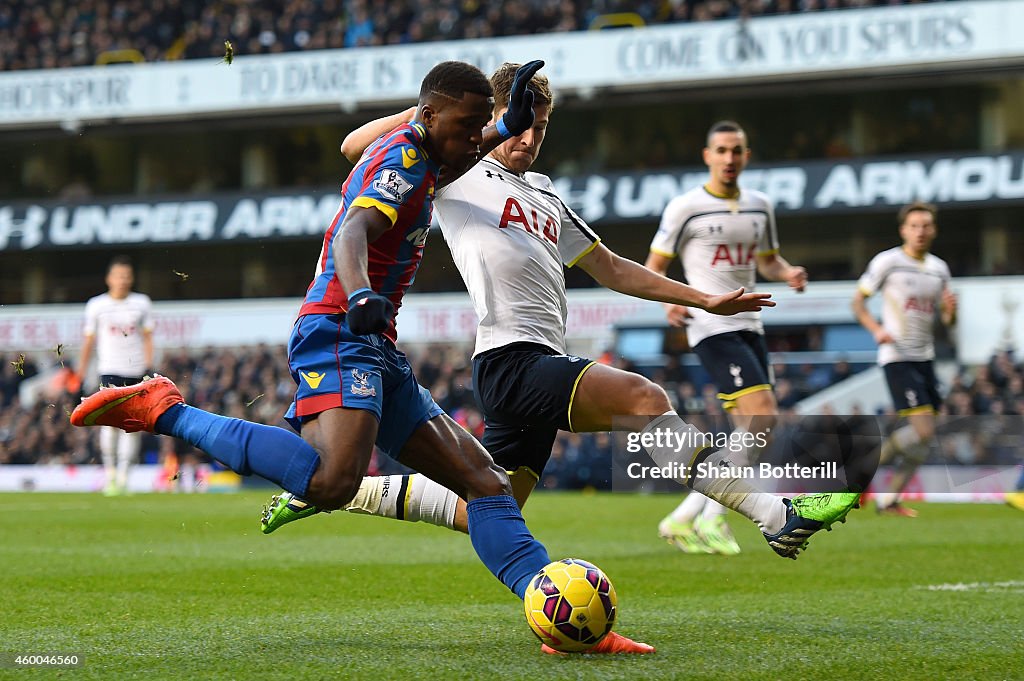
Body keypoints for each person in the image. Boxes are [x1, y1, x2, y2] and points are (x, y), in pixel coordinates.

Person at [262, 67, 858, 597]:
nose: (527, 139)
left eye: (539, 129)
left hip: (542, 355)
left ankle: (325, 490)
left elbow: (610, 267)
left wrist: (704, 297)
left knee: (488, 504)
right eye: (519, 125)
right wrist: (426, 111)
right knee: (646, 400)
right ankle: (775, 513)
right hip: (509, 359)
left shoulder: (545, 191)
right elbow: (352, 147)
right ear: (482, 121)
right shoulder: (455, 170)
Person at [72, 60, 599, 646]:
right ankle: (165, 409)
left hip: (376, 342)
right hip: (340, 327)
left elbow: (441, 150)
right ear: (429, 116)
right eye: (469, 125)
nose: (477, 139)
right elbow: (353, 231)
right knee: (331, 481)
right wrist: (363, 292)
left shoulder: (434, 153)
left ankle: (558, 619)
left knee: (487, 484)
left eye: (483, 127)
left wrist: (508, 126)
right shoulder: (401, 159)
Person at [644, 121, 809, 555]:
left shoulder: (760, 207)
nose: (729, 159)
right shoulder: (687, 207)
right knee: (764, 418)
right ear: (707, 156)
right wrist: (670, 302)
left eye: (737, 151)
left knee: (754, 434)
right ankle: (715, 519)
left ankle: (682, 519)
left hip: (751, 325)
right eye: (722, 150)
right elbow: (653, 265)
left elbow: (768, 260)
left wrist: (787, 272)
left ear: (747, 156)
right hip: (710, 324)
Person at [852, 201, 956, 517]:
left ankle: (890, 499)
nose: (920, 231)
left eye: (926, 225)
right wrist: (876, 329)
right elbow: (857, 302)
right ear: (903, 230)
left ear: (934, 230)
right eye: (914, 225)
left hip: (925, 358)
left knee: (925, 436)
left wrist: (951, 313)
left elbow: (945, 322)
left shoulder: (940, 269)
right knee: (923, 430)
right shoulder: (889, 262)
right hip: (897, 356)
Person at [75, 255, 154, 495]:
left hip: (136, 370)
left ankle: (124, 477)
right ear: (109, 278)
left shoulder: (141, 303)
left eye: (127, 276)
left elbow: (148, 337)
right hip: (109, 369)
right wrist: (80, 374)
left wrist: (149, 367)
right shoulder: (97, 305)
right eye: (119, 275)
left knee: (132, 425)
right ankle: (110, 473)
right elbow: (89, 341)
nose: (123, 280)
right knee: (109, 425)